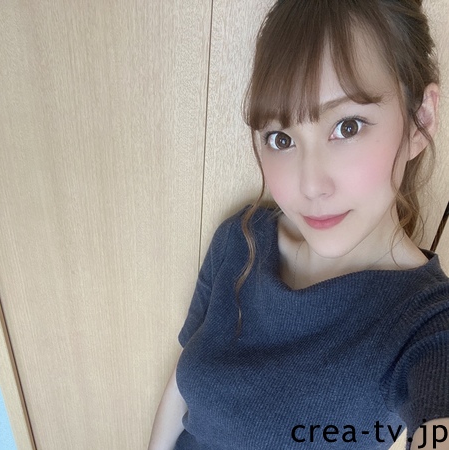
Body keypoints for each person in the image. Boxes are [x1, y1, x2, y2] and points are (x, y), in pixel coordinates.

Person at [149, 0, 449, 449]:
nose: (310, 185)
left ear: (420, 120)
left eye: (348, 127)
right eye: (281, 138)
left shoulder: (425, 324)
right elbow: (183, 378)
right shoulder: (240, 240)